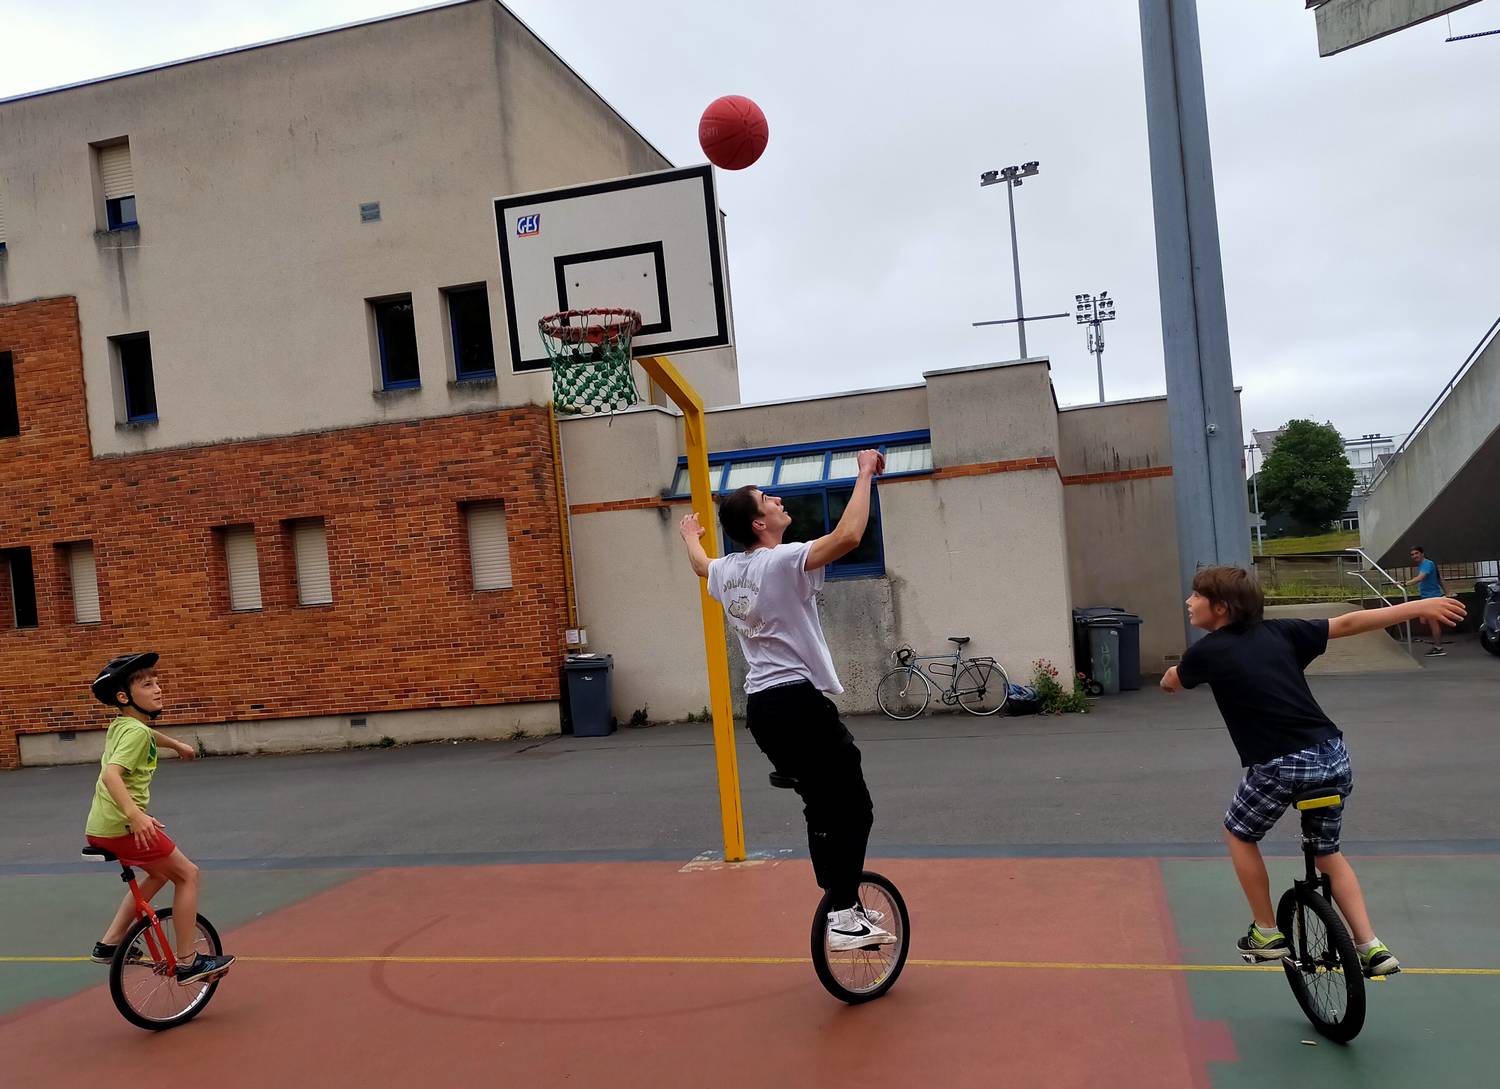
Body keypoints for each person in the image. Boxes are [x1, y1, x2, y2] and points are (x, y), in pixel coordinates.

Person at [1160, 566, 1465, 976]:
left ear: (1221, 607)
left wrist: (1170, 680)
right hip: (1333, 755)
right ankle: (1371, 946)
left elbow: (1175, 680)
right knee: (1328, 853)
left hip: (1280, 764)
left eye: (1195, 595)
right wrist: (1417, 605)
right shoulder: (1283, 632)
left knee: (1238, 834)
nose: (1188, 602)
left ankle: (1266, 931)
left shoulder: (1207, 652)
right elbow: (1349, 622)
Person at [678, 449, 895, 952]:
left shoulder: (727, 571)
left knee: (820, 803)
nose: (778, 499)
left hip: (762, 710)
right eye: (768, 499)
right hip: (796, 702)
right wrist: (863, 474)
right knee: (855, 805)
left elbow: (699, 566)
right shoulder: (779, 560)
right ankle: (843, 911)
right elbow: (849, 537)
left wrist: (691, 536)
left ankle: (839, 902)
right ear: (759, 523)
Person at [85, 653, 235, 983]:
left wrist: (177, 745)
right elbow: (112, 775)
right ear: (124, 697)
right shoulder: (136, 733)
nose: (158, 689)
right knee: (188, 875)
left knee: (158, 874)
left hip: (101, 828)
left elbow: (149, 737)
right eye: (147, 684)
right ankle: (188, 961)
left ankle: (109, 943)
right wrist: (136, 815)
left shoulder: (125, 725)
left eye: (157, 682)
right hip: (124, 826)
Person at [1404, 546, 1448, 656]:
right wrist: (1446, 592)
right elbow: (1439, 578)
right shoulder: (1425, 564)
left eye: (1416, 553)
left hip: (1431, 598)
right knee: (1423, 620)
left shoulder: (1427, 564)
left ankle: (1438, 648)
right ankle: (1437, 643)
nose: (1414, 556)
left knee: (1433, 622)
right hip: (1426, 597)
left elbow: (1421, 577)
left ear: (1422, 554)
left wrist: (1406, 584)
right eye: (1412, 554)